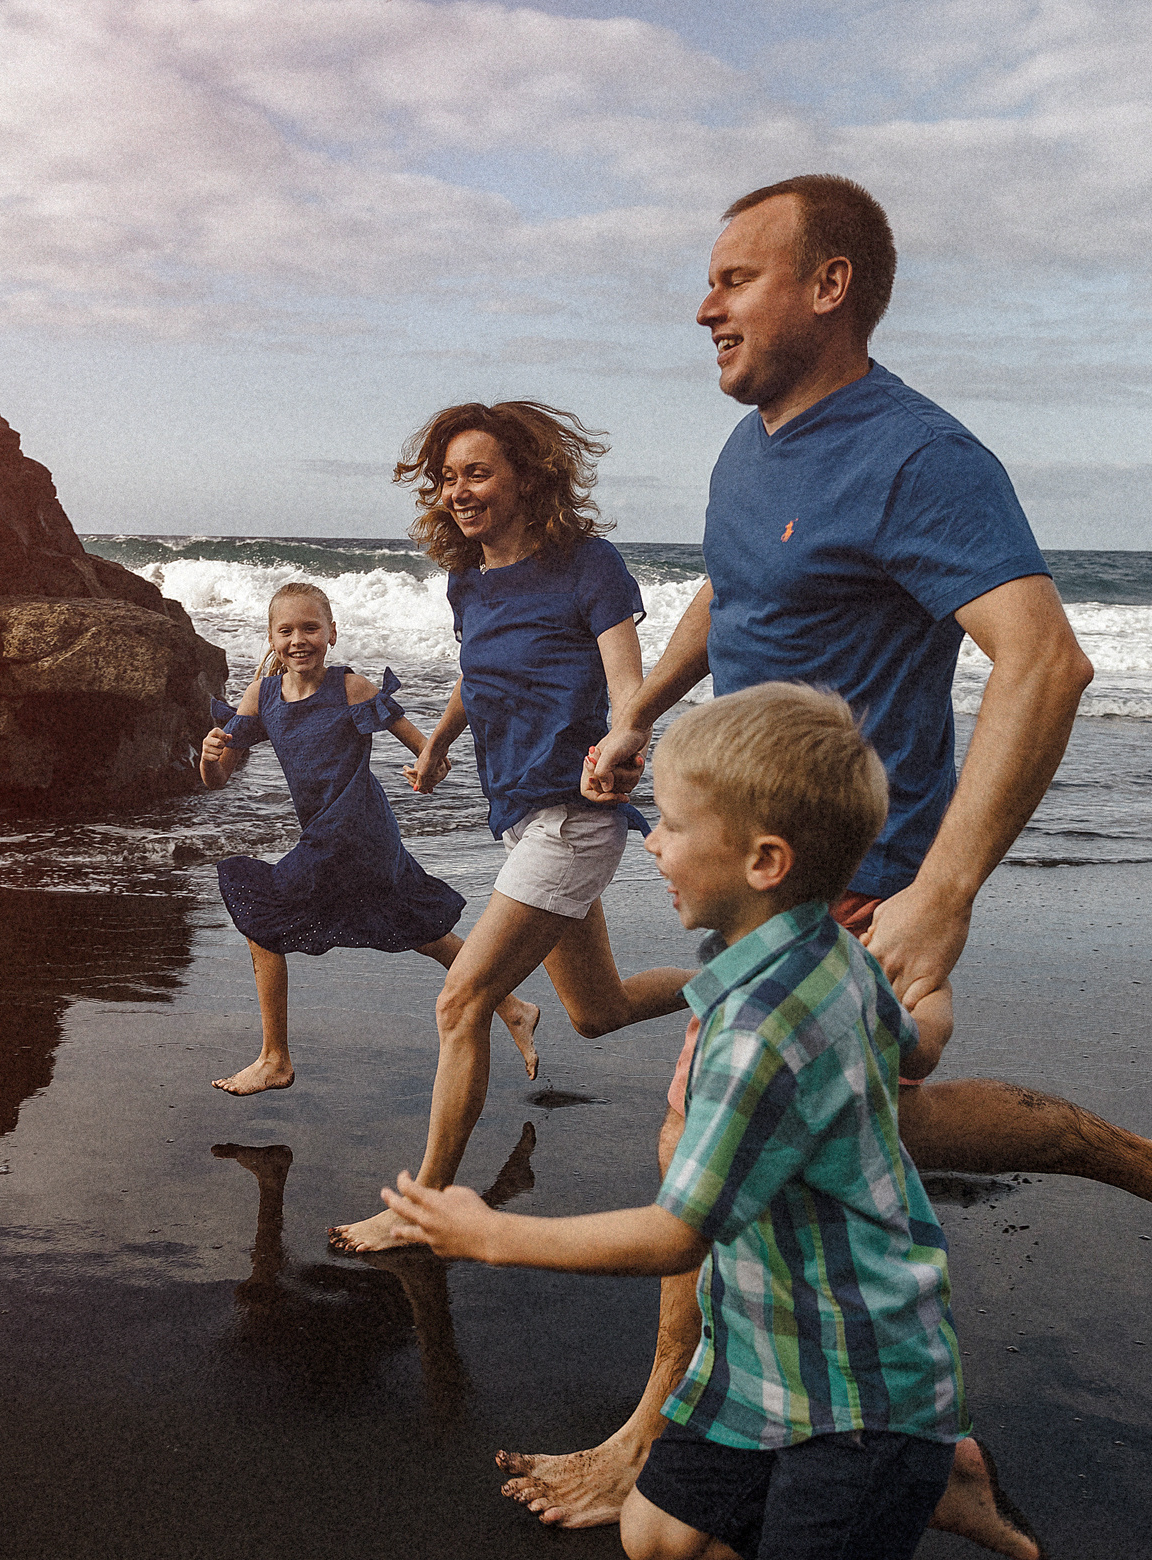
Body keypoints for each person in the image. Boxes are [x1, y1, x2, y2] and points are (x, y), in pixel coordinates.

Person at [492, 174, 1152, 1556]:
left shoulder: (920, 456)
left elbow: (1045, 658)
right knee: (847, 1134)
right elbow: (737, 586)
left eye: (736, 277)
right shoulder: (753, 452)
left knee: (706, 1142)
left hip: (852, 878)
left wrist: (942, 895)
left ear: (829, 285)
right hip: (758, 878)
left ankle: (655, 1437)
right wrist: (643, 708)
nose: (704, 303)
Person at [386, 683, 964, 1560]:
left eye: (674, 825)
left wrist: (490, 1233)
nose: (649, 841)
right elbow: (914, 1049)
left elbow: (676, 1236)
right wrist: (937, 1004)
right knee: (653, 1535)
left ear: (764, 861)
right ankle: (943, 1485)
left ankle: (926, 1480)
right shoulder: (833, 946)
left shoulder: (758, 1032)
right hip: (764, 1349)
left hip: (858, 1388)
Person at [323, 402, 694, 1253]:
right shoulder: (469, 581)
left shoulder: (587, 566)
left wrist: (625, 736)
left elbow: (626, 679)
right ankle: (743, 979)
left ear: (528, 477)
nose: (459, 490)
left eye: (478, 472)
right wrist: (441, 743)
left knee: (464, 1002)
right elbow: (474, 672)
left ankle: (424, 1208)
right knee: (596, 1011)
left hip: (575, 814)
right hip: (520, 815)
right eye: (449, 476)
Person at [201, 581, 539, 1095]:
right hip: (335, 834)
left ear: (332, 633)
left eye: (311, 628)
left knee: (258, 907)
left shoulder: (350, 688)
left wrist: (429, 768)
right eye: (286, 630)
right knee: (413, 928)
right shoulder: (263, 697)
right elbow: (218, 778)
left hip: (357, 830)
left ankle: (275, 1057)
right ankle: (512, 1006)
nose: (299, 639)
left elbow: (427, 749)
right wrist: (207, 758)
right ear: (270, 637)